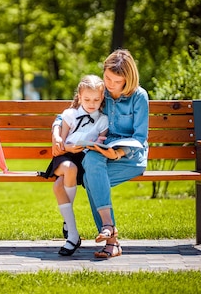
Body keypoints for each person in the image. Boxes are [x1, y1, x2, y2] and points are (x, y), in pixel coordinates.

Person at [52, 49, 149, 259]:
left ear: (128, 79)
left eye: (116, 80)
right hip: (103, 151)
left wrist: (120, 152)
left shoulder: (139, 97)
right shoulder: (101, 93)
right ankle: (109, 230)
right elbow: (68, 113)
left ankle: (111, 238)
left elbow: (140, 137)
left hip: (131, 157)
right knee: (92, 163)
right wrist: (56, 134)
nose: (110, 84)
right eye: (107, 78)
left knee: (90, 177)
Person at [41, 75, 108, 256]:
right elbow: (60, 145)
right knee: (70, 168)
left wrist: (91, 146)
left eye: (96, 99)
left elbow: (101, 144)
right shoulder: (70, 114)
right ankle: (72, 233)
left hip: (85, 158)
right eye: (87, 99)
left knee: (58, 185)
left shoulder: (103, 120)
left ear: (102, 98)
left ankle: (71, 232)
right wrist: (69, 146)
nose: (91, 103)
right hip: (65, 157)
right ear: (79, 96)